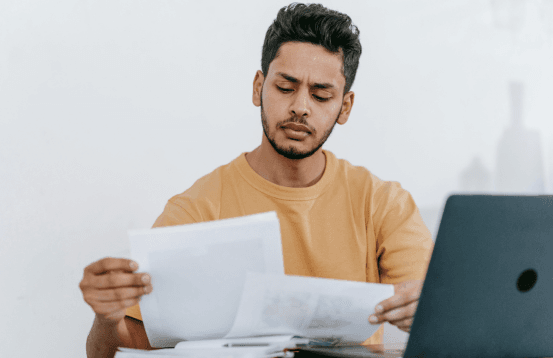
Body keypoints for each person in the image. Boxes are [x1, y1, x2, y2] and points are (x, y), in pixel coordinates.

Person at [79, 3, 433, 357]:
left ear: (345, 107)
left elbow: (434, 321)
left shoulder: (383, 203)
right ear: (258, 88)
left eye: (321, 95)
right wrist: (106, 320)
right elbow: (120, 347)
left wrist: (429, 312)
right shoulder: (199, 208)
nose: (301, 107)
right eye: (285, 87)